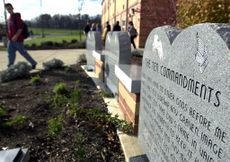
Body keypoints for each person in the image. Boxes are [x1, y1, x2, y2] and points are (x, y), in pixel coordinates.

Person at [5, 3, 37, 69]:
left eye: (10, 8)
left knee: (23, 53)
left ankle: (33, 63)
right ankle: (10, 66)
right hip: (11, 40)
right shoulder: (9, 19)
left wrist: (16, 36)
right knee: (10, 53)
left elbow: (20, 28)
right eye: (7, 9)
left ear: (12, 8)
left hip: (18, 40)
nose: (9, 10)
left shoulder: (16, 16)